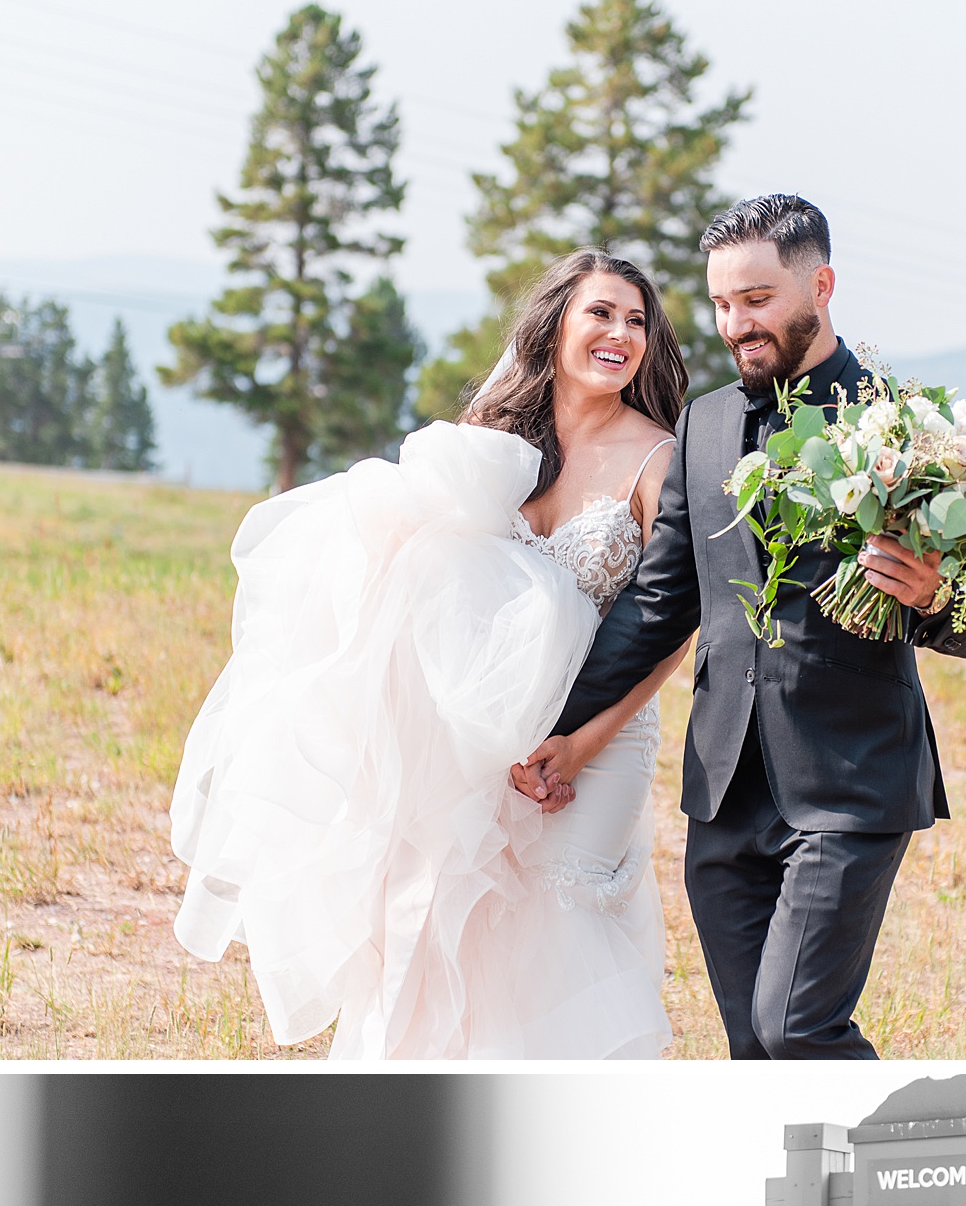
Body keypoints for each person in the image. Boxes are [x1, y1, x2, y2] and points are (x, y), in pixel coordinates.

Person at [514, 194, 966, 1059]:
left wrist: (931, 596)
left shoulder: (907, 429)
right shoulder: (701, 428)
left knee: (797, 1027)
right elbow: (658, 605)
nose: (737, 323)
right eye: (722, 304)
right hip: (723, 791)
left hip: (851, 784)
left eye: (759, 300)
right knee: (753, 1046)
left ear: (822, 284)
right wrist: (547, 725)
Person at [169, 250, 688, 1058]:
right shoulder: (492, 438)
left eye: (636, 320)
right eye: (602, 313)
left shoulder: (660, 458)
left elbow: (672, 622)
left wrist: (580, 744)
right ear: (554, 326)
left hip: (602, 738)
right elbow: (423, 567)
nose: (622, 332)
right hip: (477, 734)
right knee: (456, 921)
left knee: (556, 921)